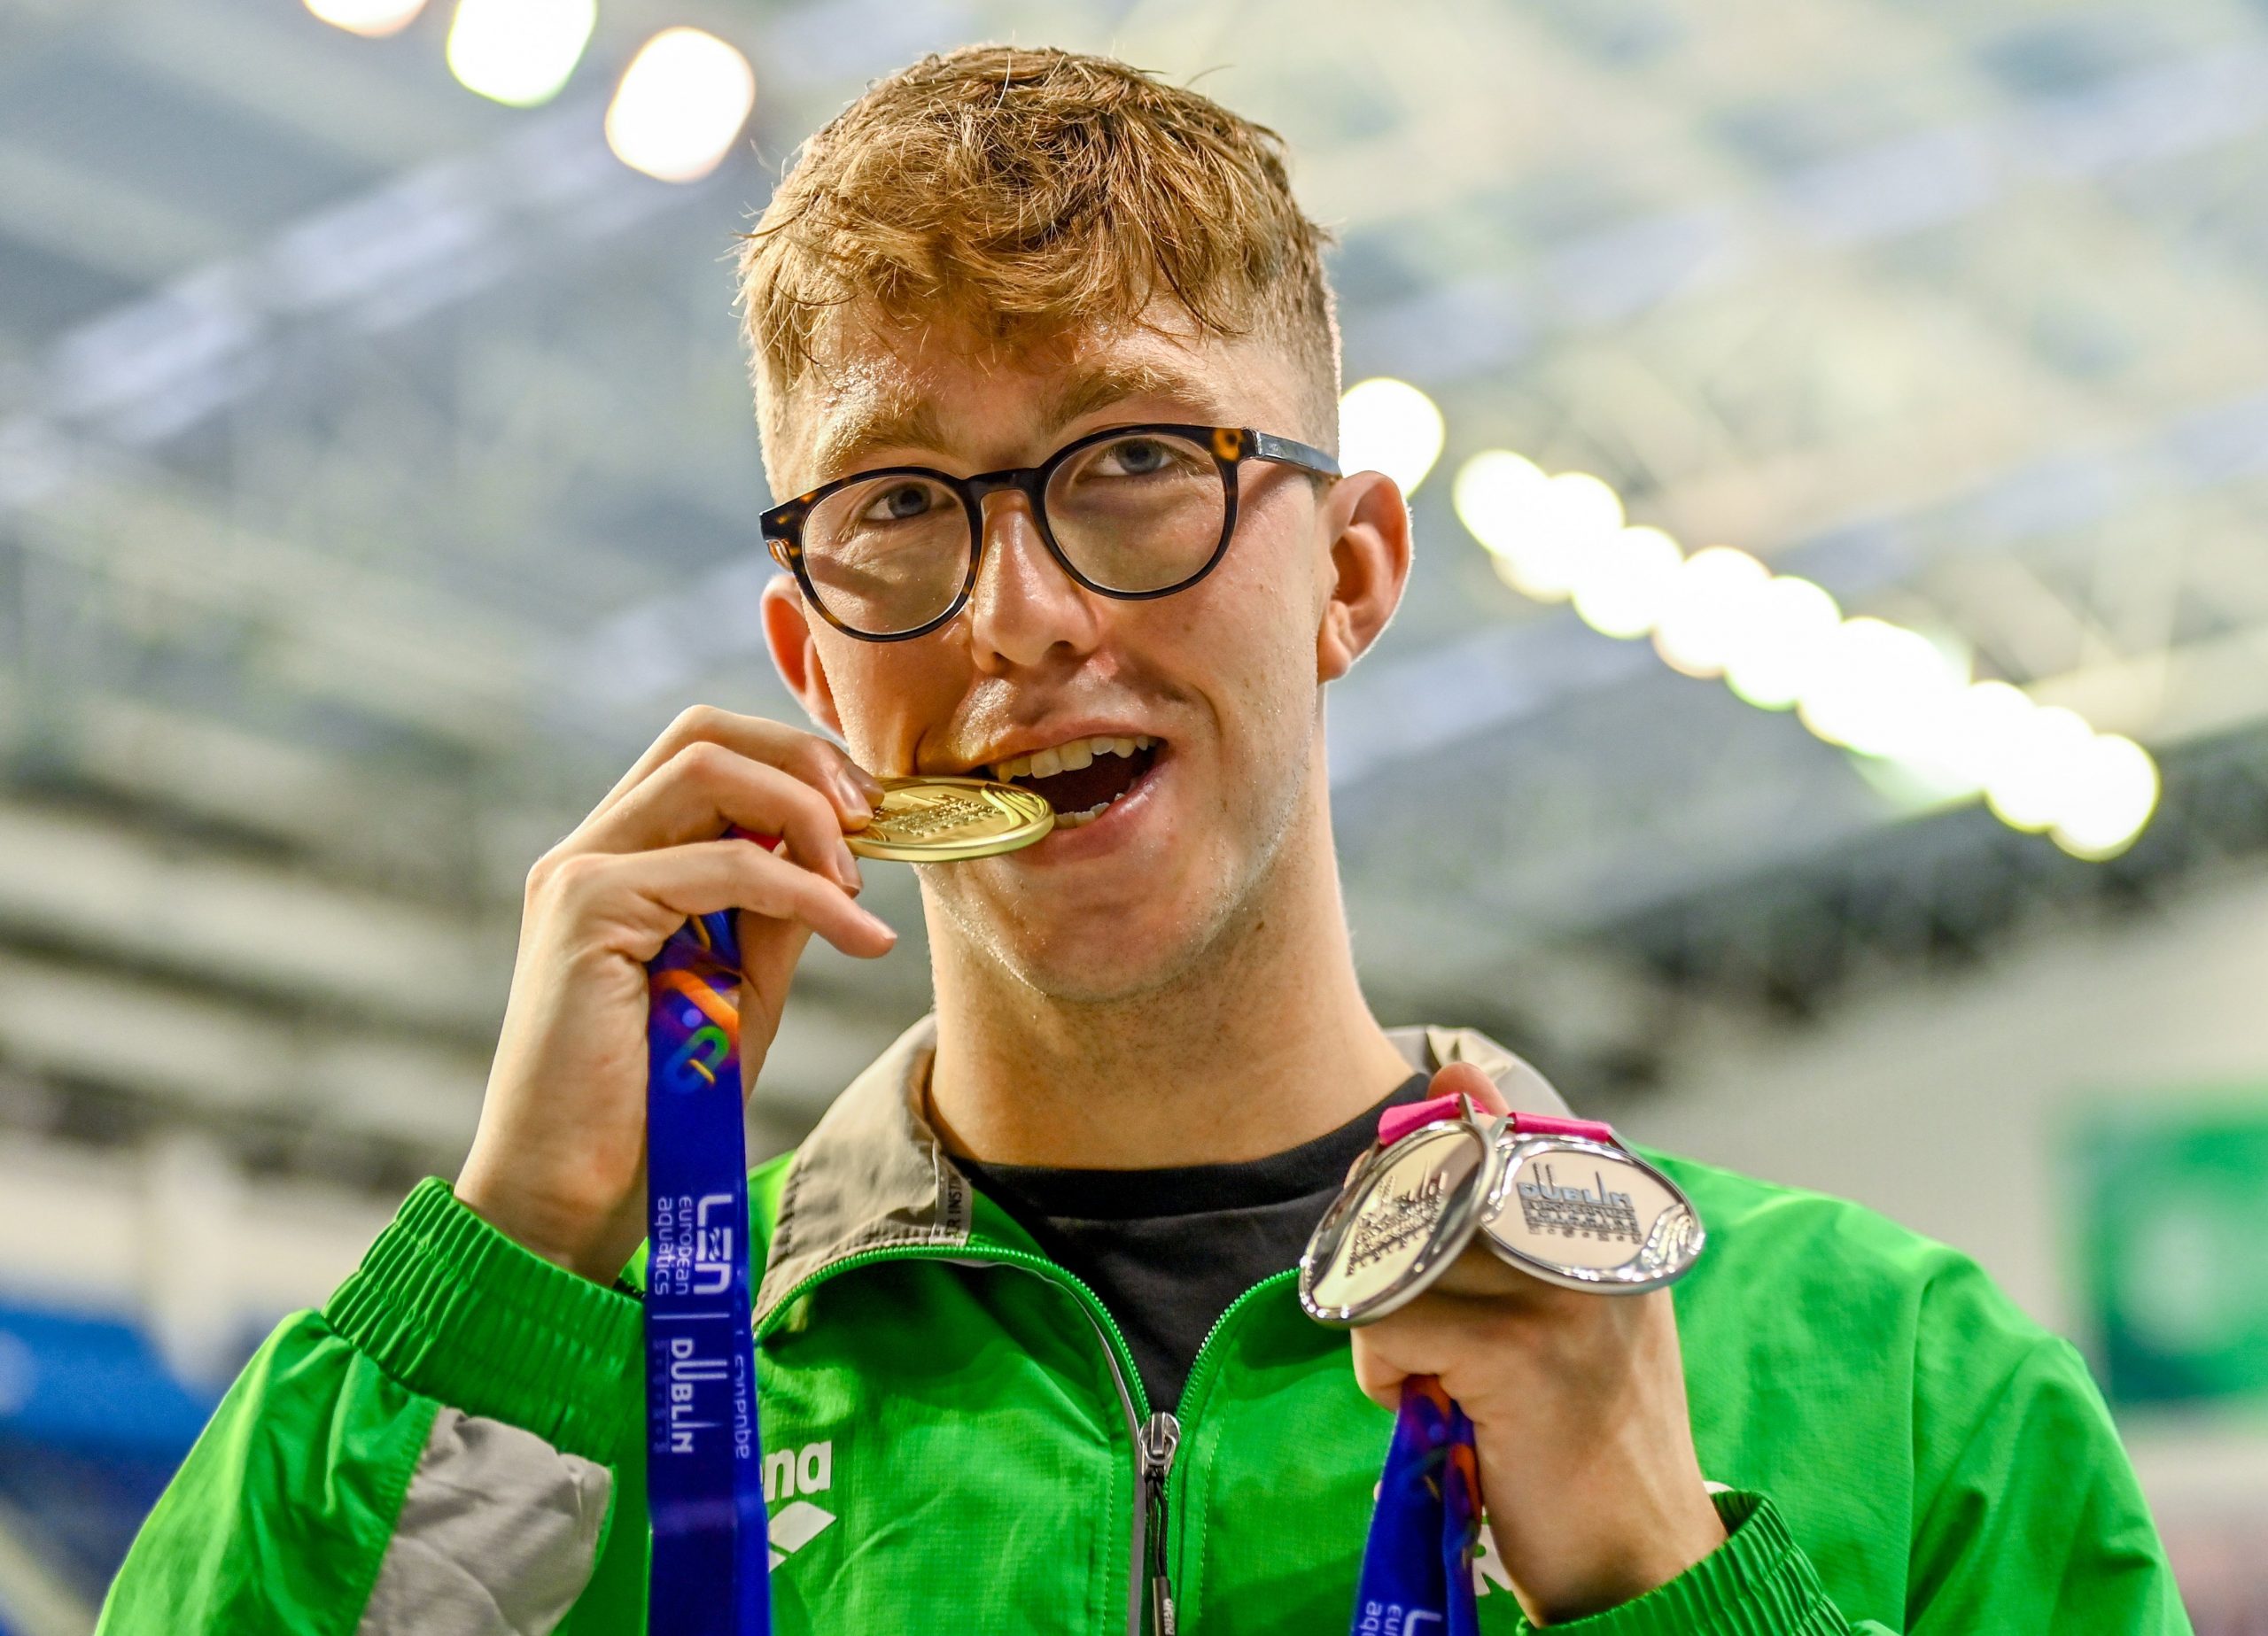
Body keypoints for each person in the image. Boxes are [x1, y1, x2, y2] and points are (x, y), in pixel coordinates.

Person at [98, 43, 2188, 1636]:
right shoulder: (570, 1410)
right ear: (807, 653)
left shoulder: (1900, 1384)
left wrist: (1658, 1579)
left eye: (1129, 465)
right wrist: (517, 1243)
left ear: (1353, 570)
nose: (1016, 613)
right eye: (895, 506)